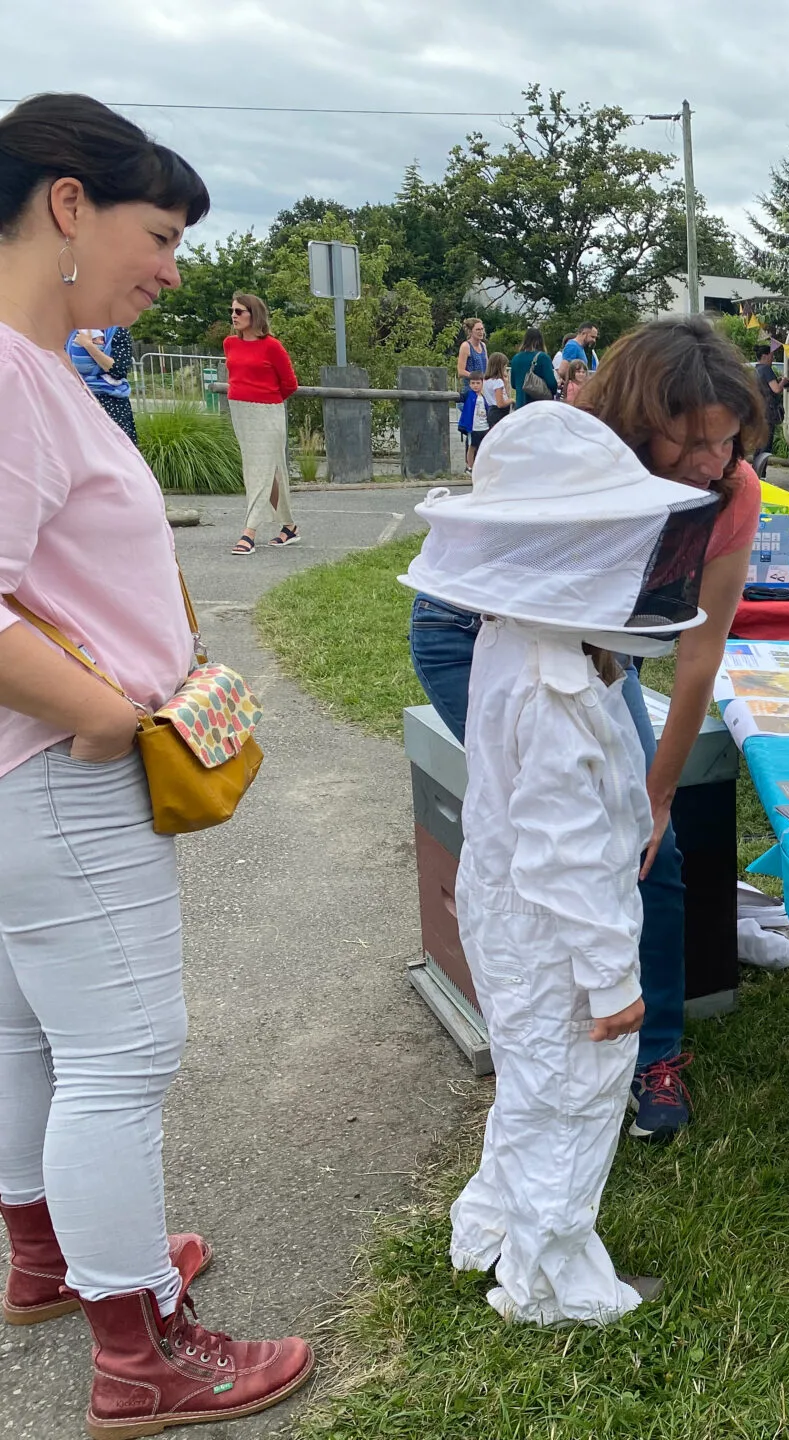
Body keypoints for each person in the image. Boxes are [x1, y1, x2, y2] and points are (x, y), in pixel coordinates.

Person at [0, 91, 311, 1437]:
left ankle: (50, 1261)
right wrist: (102, 714)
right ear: (69, 203)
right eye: (162, 233)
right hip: (60, 773)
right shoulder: (15, 377)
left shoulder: (37, 365)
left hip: (22, 779)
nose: (174, 269)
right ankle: (143, 1352)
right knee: (120, 1054)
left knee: (30, 1033)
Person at [401, 402, 722, 1324]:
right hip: (557, 943)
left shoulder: (517, 647)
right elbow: (568, 852)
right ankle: (551, 1285)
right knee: (575, 1102)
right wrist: (613, 977)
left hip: (518, 924)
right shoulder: (553, 690)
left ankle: (493, 1229)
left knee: (533, 1090)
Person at [408, 315, 764, 1143]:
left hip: (600, 646)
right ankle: (548, 1032)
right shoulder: (569, 458)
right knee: (543, 824)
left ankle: (653, 1053)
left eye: (730, 440)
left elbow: (698, 654)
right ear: (638, 424)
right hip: (477, 635)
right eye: (695, 442)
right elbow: (534, 644)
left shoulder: (731, 490)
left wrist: (657, 795)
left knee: (645, 845)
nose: (716, 462)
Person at [222, 291, 299, 555]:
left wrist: (267, 400)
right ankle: (289, 526)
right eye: (232, 311)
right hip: (240, 412)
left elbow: (290, 384)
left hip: (267, 413)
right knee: (269, 471)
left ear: (253, 315)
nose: (234, 316)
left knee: (258, 471)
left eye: (239, 311)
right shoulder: (230, 344)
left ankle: (249, 531)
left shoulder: (272, 346)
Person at [67, 324, 136, 443]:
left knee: (116, 447)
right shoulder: (71, 332)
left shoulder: (118, 332)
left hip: (111, 403)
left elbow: (119, 370)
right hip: (78, 399)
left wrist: (88, 345)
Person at [752, 342, 785, 471]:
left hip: (758, 411)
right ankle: (761, 473)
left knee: (759, 444)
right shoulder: (766, 369)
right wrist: (784, 381)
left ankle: (756, 471)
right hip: (768, 412)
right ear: (765, 356)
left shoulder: (756, 370)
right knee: (766, 445)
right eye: (772, 356)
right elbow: (776, 389)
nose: (773, 359)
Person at [510, 325, 558, 407]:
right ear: (540, 340)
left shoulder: (516, 358)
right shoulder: (543, 357)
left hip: (520, 405)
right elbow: (551, 384)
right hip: (538, 405)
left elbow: (513, 384)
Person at [457, 373, 488, 469]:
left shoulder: (484, 396)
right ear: (469, 384)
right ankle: (470, 467)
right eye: (473, 383)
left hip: (484, 426)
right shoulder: (468, 395)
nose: (475, 385)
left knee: (483, 447)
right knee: (472, 447)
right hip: (474, 427)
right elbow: (460, 398)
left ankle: (481, 467)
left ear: (482, 383)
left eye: (478, 383)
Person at [482, 349, 512, 429]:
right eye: (504, 367)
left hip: (491, 411)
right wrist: (511, 400)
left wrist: (506, 382)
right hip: (499, 413)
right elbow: (500, 403)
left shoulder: (486, 380)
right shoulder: (498, 382)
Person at [455, 316, 487, 385]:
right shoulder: (466, 346)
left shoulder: (483, 345)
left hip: (483, 386)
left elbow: (487, 367)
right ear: (470, 332)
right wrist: (476, 377)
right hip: (470, 386)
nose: (481, 332)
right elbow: (460, 371)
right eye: (478, 329)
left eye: (482, 329)